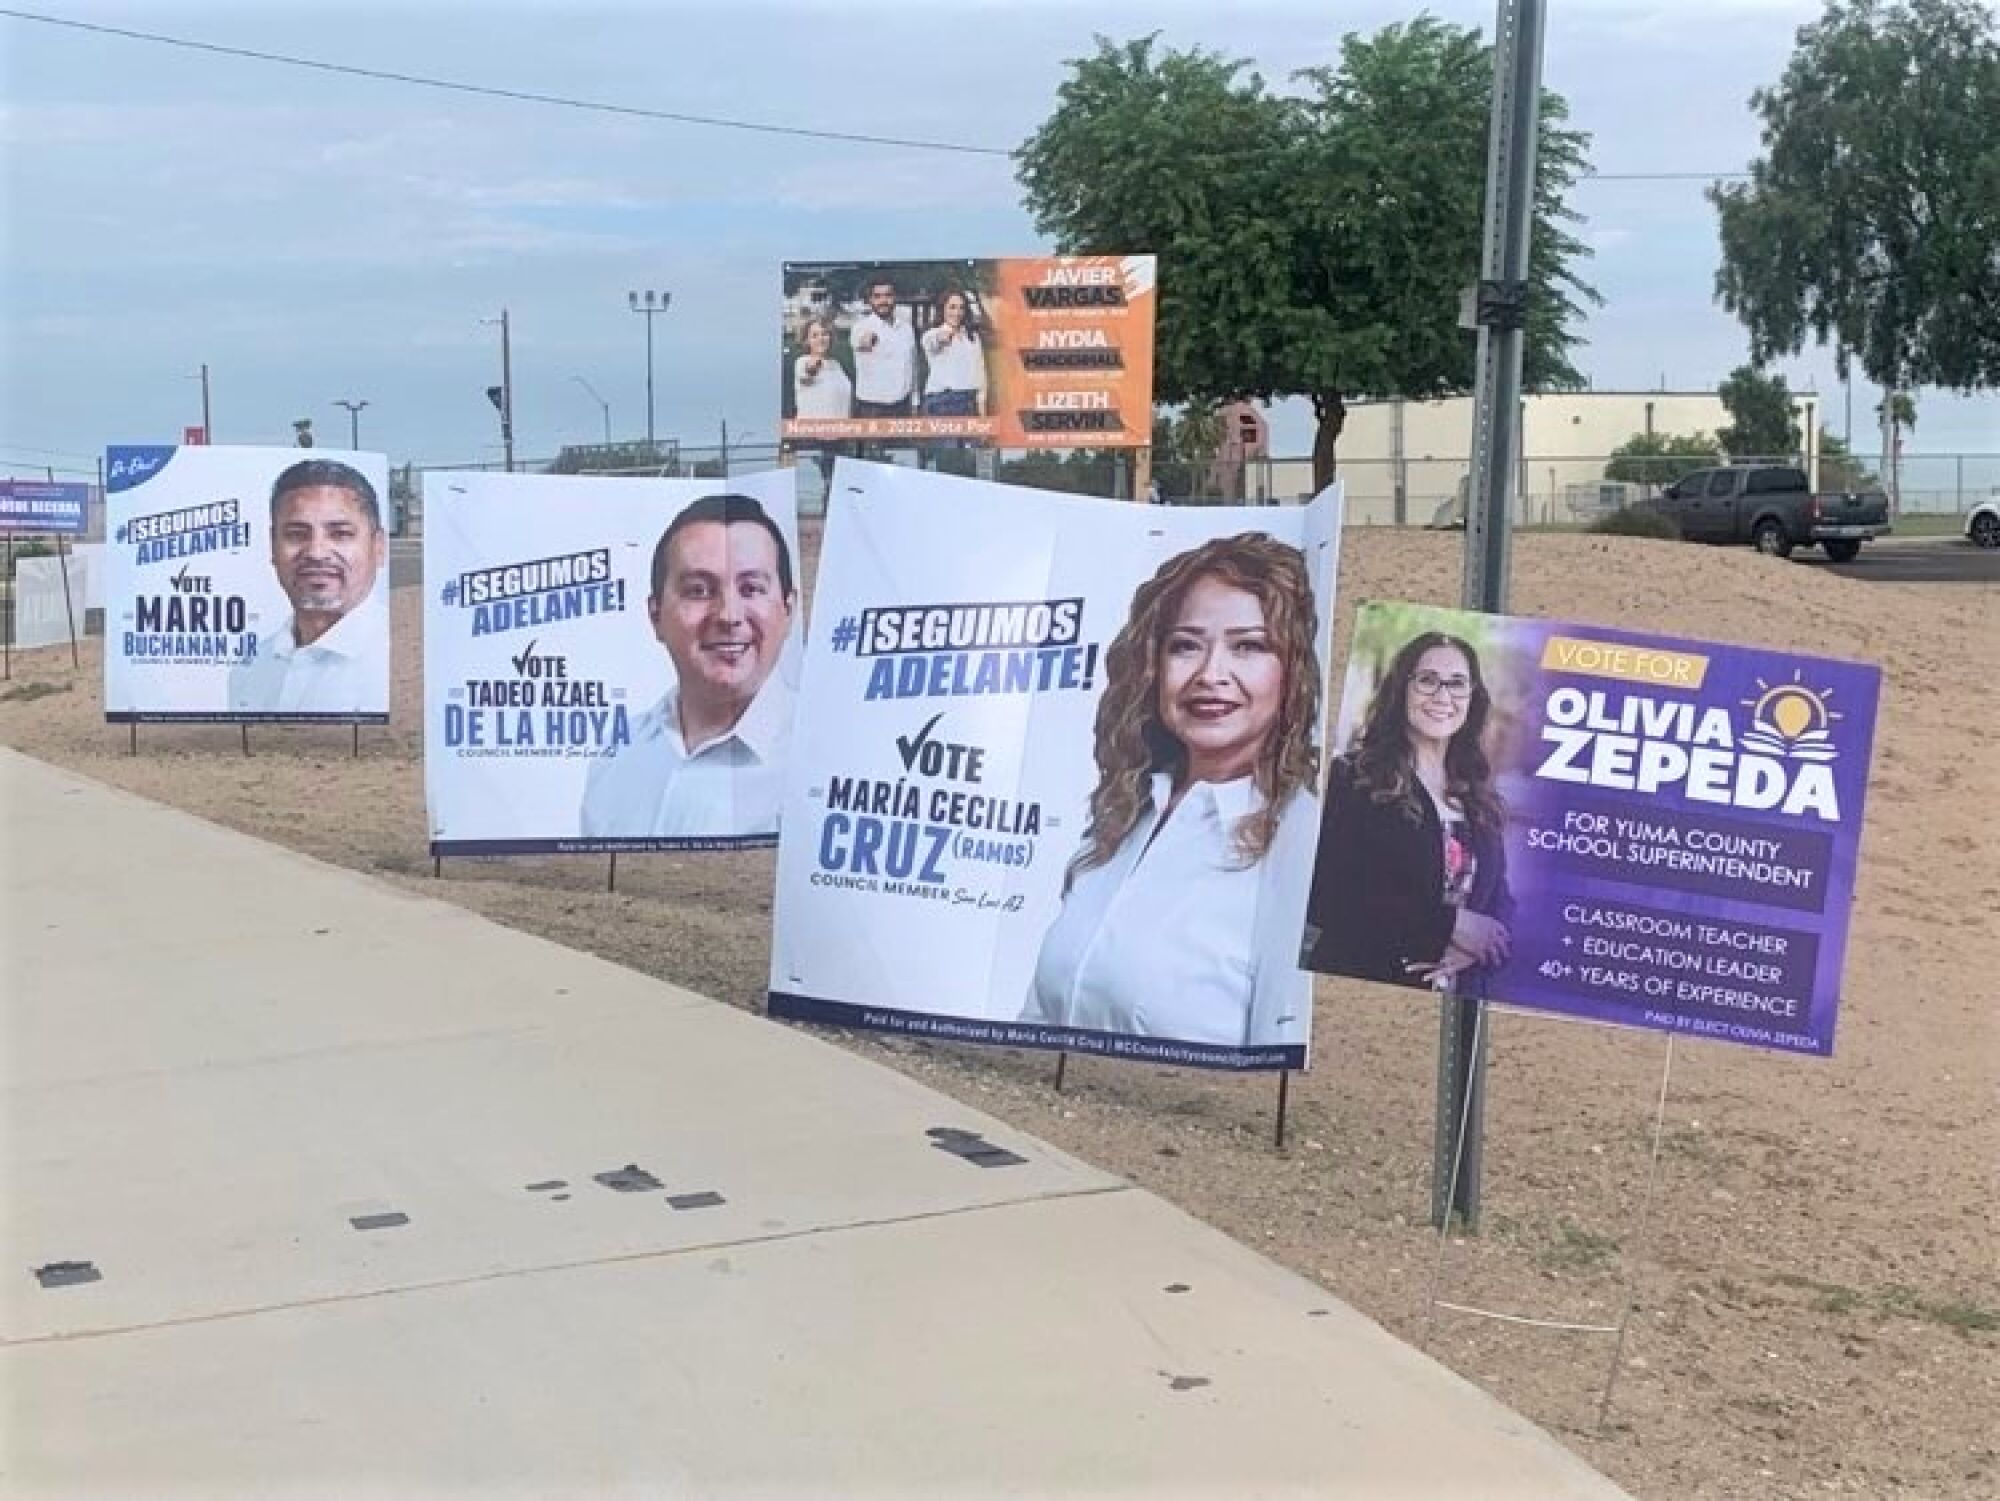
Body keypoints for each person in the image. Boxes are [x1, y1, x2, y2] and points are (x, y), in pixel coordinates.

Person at [1023, 534, 1322, 1049]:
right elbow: (1039, 1018)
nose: (1210, 675)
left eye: (1248, 645)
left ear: (1292, 672)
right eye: (1185, 645)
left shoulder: (1305, 843)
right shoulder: (1124, 815)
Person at [1300, 632, 1514, 992]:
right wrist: (1447, 928)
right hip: (1363, 986)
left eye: (1457, 684)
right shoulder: (1351, 779)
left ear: (1472, 697)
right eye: (1427, 680)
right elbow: (1325, 892)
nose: (1443, 696)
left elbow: (1502, 902)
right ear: (1402, 689)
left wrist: (1478, 949)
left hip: (1460, 995)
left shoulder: (1480, 798)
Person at [580, 493, 797, 840]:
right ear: (655, 616)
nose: (729, 615)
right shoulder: (615, 755)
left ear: (788, 610)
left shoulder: (826, 763)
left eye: (752, 588)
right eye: (698, 590)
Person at [228, 458, 388, 713]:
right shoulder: (251, 665)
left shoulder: (391, 660)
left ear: (379, 547)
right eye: (296, 534)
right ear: (273, 546)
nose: (316, 552)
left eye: (341, 534)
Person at [848, 278, 916, 418]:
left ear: (895, 297)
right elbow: (861, 342)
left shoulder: (906, 329)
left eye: (888, 295)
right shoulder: (861, 327)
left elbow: (912, 367)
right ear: (870, 300)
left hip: (902, 407)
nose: (883, 301)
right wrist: (866, 341)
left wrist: (915, 402)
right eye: (877, 296)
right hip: (871, 409)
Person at [918, 288, 987, 417]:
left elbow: (980, 372)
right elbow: (934, 342)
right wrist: (942, 338)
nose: (957, 313)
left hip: (969, 403)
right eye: (952, 307)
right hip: (943, 403)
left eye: (961, 308)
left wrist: (982, 407)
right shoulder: (931, 334)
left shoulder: (972, 337)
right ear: (942, 309)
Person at [792, 316, 853, 420]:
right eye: (814, 335)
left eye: (825, 334)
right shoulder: (802, 361)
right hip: (812, 432)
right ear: (807, 341)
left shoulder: (836, 364)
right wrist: (812, 369)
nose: (821, 338)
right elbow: (806, 376)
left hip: (839, 430)